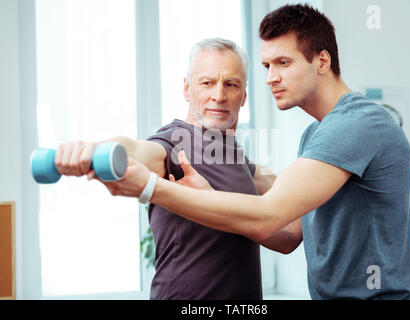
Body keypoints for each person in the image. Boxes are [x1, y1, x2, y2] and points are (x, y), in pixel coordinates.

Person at [99, 4, 410, 300]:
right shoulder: (316, 133)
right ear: (187, 88)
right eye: (267, 65)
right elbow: (291, 233)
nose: (271, 78)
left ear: (321, 61)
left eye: (283, 63)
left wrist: (152, 188)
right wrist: (96, 151)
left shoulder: (356, 123)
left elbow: (269, 216)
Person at [54, 38, 279, 299]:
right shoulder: (173, 141)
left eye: (231, 84)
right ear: (186, 89)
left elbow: (282, 201)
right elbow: (135, 150)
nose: (219, 95)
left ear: (244, 96)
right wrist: (93, 149)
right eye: (207, 83)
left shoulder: (236, 156)